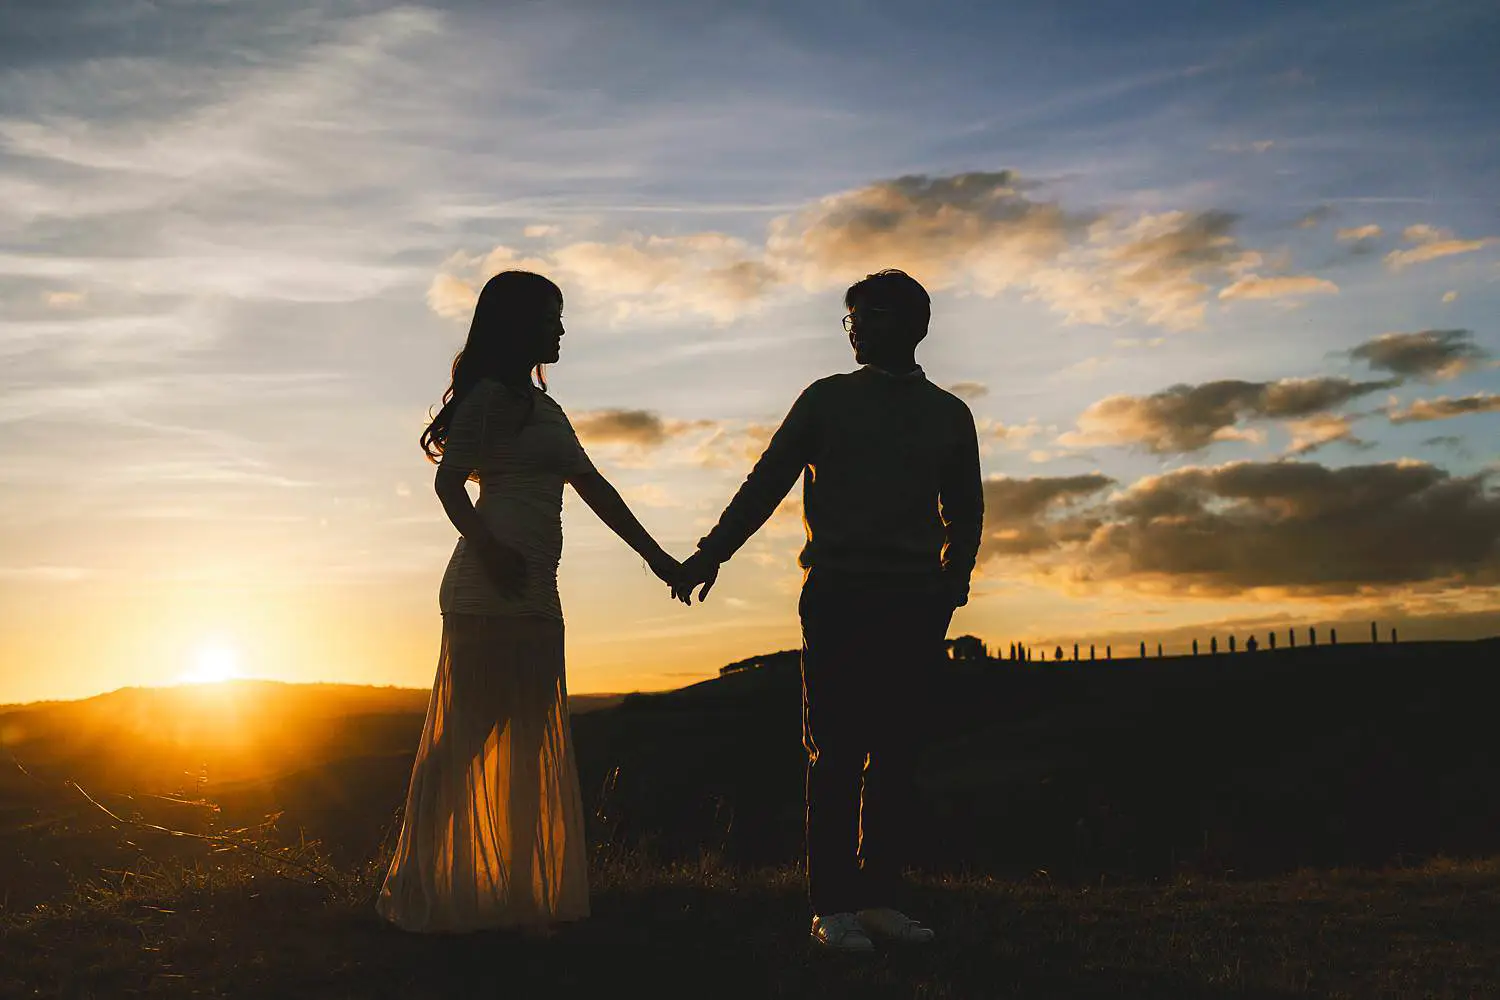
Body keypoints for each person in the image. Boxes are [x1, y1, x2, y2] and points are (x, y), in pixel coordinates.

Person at [672, 269, 983, 953]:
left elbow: (965, 511)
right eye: (851, 319)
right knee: (837, 752)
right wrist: (711, 553)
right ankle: (831, 906)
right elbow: (766, 482)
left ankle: (879, 900)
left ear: (910, 323)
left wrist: (949, 585)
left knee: (897, 754)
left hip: (912, 602)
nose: (857, 330)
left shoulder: (949, 416)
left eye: (868, 315)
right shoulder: (823, 401)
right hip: (839, 596)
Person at [378, 271, 680, 933]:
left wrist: (660, 559)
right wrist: (487, 548)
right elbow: (451, 486)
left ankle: (518, 895)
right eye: (551, 317)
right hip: (486, 590)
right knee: (465, 744)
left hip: (537, 594)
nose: (562, 329)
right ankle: (420, 885)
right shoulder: (487, 398)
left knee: (525, 741)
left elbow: (597, 490)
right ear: (517, 326)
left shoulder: (547, 411)